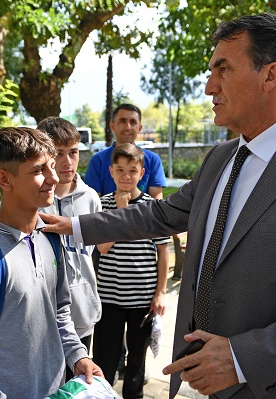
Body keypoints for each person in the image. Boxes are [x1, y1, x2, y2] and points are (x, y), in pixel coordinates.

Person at [40, 12, 276, 399]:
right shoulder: (221, 159)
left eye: (223, 70)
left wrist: (241, 358)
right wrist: (75, 226)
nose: (209, 87)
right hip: (215, 385)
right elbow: (161, 214)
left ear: (270, 76)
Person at [0, 127, 102, 399]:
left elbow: (59, 312)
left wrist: (77, 356)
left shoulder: (50, 238)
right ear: (4, 179)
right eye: (38, 170)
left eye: (51, 166)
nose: (53, 178)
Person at [92, 143, 170, 398]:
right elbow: (102, 248)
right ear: (111, 172)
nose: (126, 176)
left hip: (142, 299)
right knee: (104, 359)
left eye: (132, 170)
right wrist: (121, 213)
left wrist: (160, 293)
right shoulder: (102, 204)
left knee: (137, 361)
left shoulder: (152, 208)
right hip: (109, 298)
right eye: (120, 170)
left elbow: (163, 251)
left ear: (142, 173)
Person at [37, 116, 103, 380]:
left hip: (82, 312)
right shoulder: (30, 199)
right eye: (58, 153)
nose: (67, 162)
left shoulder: (90, 198)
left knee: (79, 384)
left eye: (73, 152)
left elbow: (91, 251)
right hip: (42, 317)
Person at [84, 103, 167, 199]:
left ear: (139, 128)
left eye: (133, 122)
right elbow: (93, 201)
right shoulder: (98, 160)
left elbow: (156, 201)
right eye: (122, 121)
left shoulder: (152, 160)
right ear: (112, 126)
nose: (128, 127)